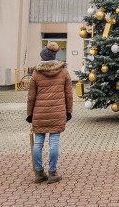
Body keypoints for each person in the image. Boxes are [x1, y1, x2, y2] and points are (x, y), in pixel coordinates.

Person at [27, 42, 73, 184]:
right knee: (54, 143)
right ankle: (52, 172)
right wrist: (69, 111)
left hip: (39, 114)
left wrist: (29, 114)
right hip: (58, 112)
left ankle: (39, 173)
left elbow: (31, 97)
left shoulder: (36, 73)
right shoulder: (64, 72)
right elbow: (69, 94)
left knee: (38, 143)